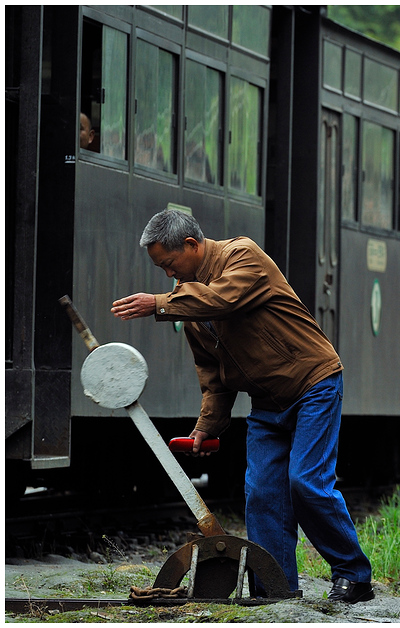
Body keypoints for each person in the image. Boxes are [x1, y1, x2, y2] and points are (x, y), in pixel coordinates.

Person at [110, 208, 374, 603]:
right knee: (262, 493)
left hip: (313, 383)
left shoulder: (242, 256)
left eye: (169, 264)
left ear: (191, 245)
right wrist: (206, 426)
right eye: (161, 269)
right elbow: (213, 372)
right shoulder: (191, 304)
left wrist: (160, 303)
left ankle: (355, 577)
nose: (168, 275)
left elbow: (222, 299)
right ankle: (276, 587)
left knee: (306, 482)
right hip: (267, 402)